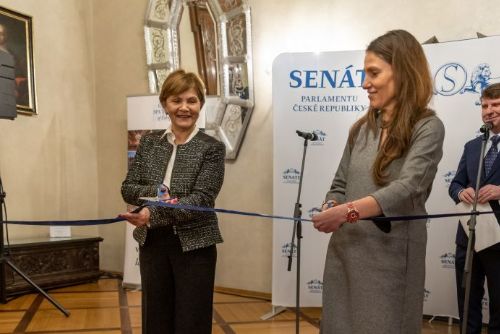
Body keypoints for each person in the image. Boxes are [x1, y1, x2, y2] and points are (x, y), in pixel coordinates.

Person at [311, 29, 445, 334]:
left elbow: (407, 186)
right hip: (345, 252)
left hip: (390, 259)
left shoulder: (428, 127)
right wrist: (331, 204)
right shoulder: (361, 129)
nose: (364, 83)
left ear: (403, 71)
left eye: (373, 72)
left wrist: (346, 212)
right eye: (364, 73)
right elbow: (339, 183)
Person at [120, 69, 226, 334]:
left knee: (191, 321)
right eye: (176, 100)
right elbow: (128, 188)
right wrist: (158, 196)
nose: (184, 108)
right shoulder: (149, 142)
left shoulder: (211, 147)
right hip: (153, 243)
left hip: (195, 246)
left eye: (191, 100)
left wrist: (151, 212)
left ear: (201, 104)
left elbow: (201, 199)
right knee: (156, 319)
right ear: (165, 103)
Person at [449, 83, 500, 334]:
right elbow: (455, 183)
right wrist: (461, 192)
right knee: (467, 300)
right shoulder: (472, 146)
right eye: (484, 106)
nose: (489, 111)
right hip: (468, 238)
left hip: (499, 239)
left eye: (496, 105)